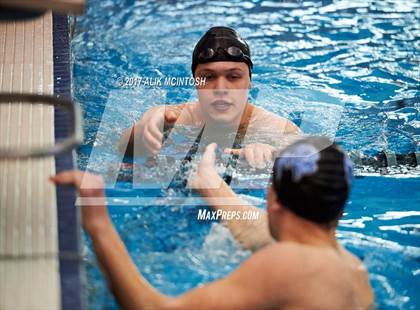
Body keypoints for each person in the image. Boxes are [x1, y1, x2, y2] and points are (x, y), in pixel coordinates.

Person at [51, 136, 375, 310]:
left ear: (272, 198)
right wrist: (210, 183)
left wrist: (97, 221)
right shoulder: (353, 271)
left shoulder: (288, 264)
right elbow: (259, 230)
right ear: (340, 208)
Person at [119, 26, 300, 169]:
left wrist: (274, 155)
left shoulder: (276, 129)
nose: (221, 89)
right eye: (208, 77)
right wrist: (141, 130)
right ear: (196, 82)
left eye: (234, 77)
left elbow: (314, 166)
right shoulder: (177, 119)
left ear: (249, 81)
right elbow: (119, 152)